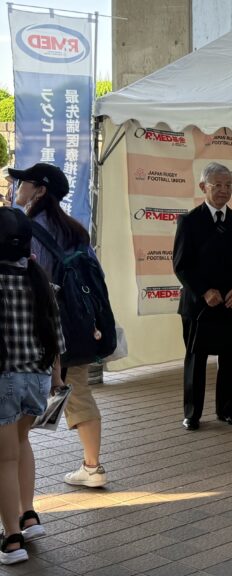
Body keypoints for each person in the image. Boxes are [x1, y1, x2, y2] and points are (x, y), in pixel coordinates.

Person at [9, 163, 108, 488]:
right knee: (78, 390)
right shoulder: (74, 229)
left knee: (16, 396)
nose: (17, 186)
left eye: (23, 182)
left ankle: (13, 467)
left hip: (37, 329)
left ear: (39, 190)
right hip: (77, 326)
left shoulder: (26, 229)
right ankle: (92, 467)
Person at [173, 163, 232, 430]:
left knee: (229, 359)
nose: (224, 190)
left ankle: (227, 411)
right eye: (217, 185)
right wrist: (204, 291)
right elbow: (181, 265)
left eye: (228, 185)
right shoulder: (189, 221)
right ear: (203, 187)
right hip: (198, 305)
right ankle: (192, 414)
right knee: (196, 358)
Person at [0, 207, 62, 565]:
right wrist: (57, 377)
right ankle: (29, 517)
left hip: (4, 379)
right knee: (22, 444)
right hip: (37, 379)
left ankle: (11, 539)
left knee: (4, 459)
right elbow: (56, 336)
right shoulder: (39, 279)